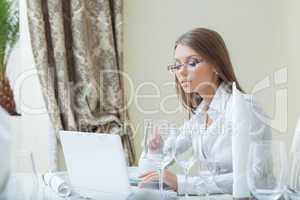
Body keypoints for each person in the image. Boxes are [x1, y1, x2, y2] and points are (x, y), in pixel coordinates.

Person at [138, 28, 271, 195]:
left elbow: (255, 178)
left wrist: (182, 183)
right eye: (177, 65)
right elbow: (167, 155)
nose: (181, 72)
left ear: (215, 65)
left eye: (192, 63)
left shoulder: (244, 107)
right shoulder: (200, 115)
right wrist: (155, 149)